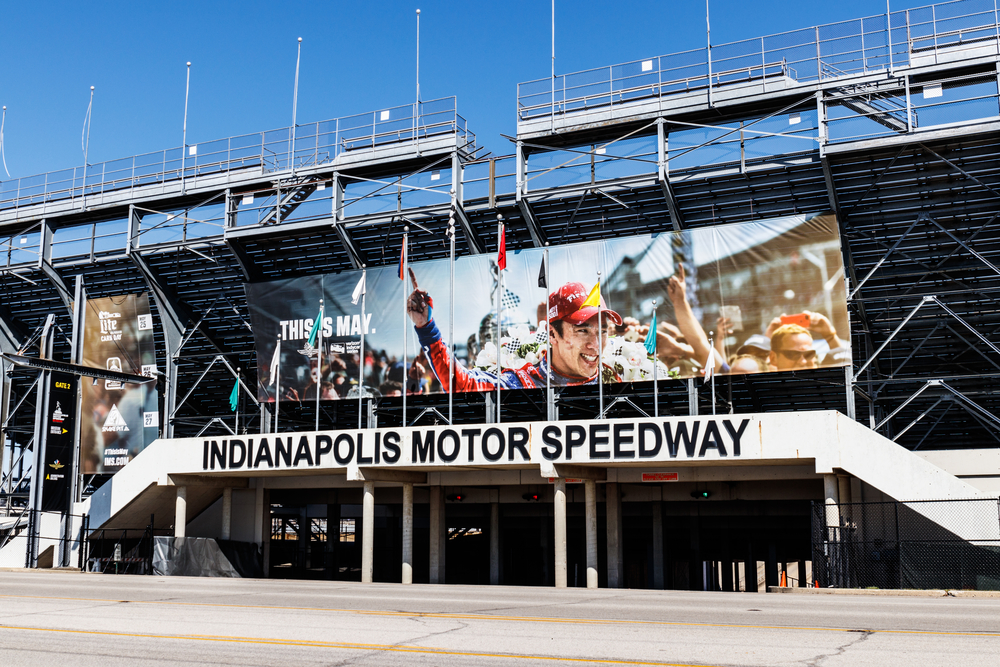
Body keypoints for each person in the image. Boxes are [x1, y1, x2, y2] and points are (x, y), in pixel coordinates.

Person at [405, 268, 622, 390]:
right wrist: (426, 328)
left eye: (602, 331)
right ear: (553, 334)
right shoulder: (521, 384)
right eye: (582, 330)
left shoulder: (621, 379)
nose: (595, 344)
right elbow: (463, 384)